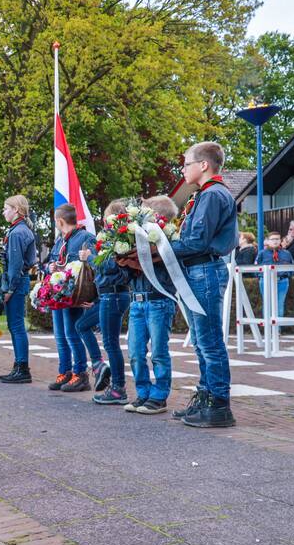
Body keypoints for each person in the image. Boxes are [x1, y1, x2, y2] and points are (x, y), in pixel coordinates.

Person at [171, 142, 238, 428]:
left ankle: (219, 402)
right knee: (200, 341)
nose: (183, 169)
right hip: (197, 270)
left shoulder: (212, 195)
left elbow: (197, 241)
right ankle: (207, 394)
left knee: (209, 340)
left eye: (186, 163)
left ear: (203, 165)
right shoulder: (204, 195)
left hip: (205, 270)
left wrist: (161, 248)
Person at [123, 196, 180, 415]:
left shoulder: (167, 241)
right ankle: (143, 392)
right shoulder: (136, 238)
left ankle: (159, 395)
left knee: (158, 351)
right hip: (137, 301)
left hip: (158, 300)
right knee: (135, 351)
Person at [75, 199, 131, 403]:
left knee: (111, 343)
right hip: (109, 294)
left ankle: (118, 387)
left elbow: (107, 267)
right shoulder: (117, 238)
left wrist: (89, 257)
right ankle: (99, 365)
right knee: (82, 324)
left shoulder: (118, 239)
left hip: (113, 294)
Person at [45, 203, 96, 392]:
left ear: (60, 221)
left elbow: (94, 266)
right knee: (60, 336)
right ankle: (64, 371)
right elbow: (51, 260)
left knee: (71, 334)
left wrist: (94, 296)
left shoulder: (85, 238)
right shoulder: (60, 241)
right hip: (58, 294)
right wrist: (49, 267)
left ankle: (80, 374)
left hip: (75, 295)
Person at [0, 196, 37, 385]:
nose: (3, 212)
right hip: (20, 280)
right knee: (16, 326)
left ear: (16, 210)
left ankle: (22, 368)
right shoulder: (21, 229)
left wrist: (9, 289)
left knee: (16, 326)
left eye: (6, 208)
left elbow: (15, 264)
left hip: (17, 282)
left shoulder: (17, 232)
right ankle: (19, 366)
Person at [255, 231, 294, 317]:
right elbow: (256, 267)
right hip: (266, 281)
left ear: (280, 240)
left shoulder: (287, 253)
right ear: (267, 241)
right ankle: (267, 329)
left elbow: (292, 267)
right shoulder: (262, 253)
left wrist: (287, 276)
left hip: (282, 281)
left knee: (280, 305)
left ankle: (277, 330)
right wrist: (261, 277)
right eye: (272, 239)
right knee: (267, 304)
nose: (275, 241)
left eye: (277, 239)